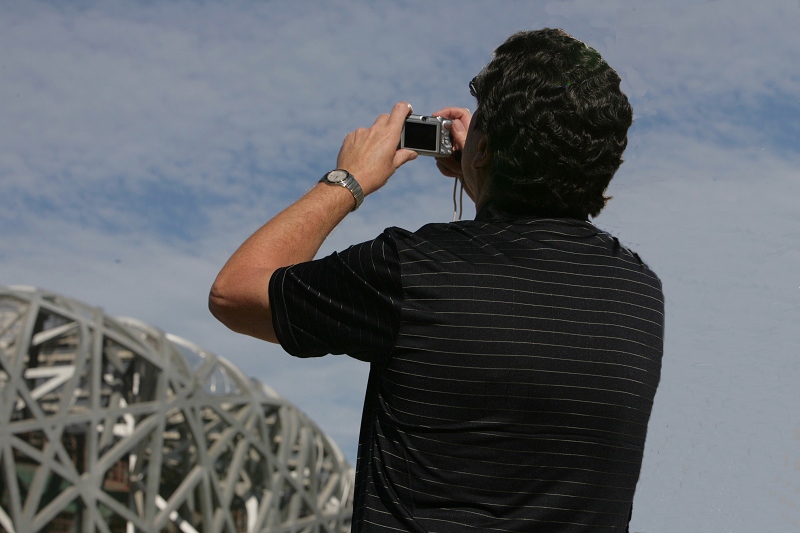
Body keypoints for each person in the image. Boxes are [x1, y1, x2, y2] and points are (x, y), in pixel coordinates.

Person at [210, 28, 664, 533]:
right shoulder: (639, 294)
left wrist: (349, 180)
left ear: (486, 146)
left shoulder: (410, 270)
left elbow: (235, 291)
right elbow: (517, 280)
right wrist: (488, 171)